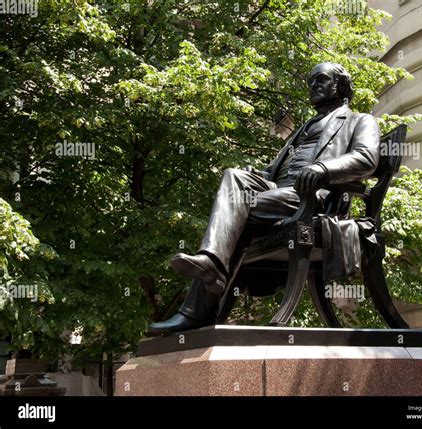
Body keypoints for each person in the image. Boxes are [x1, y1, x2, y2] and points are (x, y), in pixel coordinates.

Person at [149, 62, 380, 335]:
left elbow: (366, 159)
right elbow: (271, 172)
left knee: (237, 211)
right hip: (277, 194)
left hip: (312, 198)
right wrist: (255, 174)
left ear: (339, 85)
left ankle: (196, 308)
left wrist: (322, 169)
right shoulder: (304, 127)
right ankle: (210, 262)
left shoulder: (358, 120)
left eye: (321, 79)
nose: (313, 86)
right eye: (310, 82)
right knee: (233, 175)